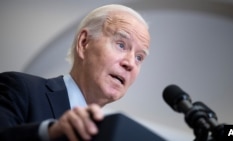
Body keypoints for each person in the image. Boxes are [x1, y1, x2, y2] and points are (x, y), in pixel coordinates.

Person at [0, 4, 150, 141]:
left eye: (139, 57)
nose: (130, 63)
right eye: (121, 45)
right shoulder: (20, 89)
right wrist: (50, 132)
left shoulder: (110, 134)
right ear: (84, 43)